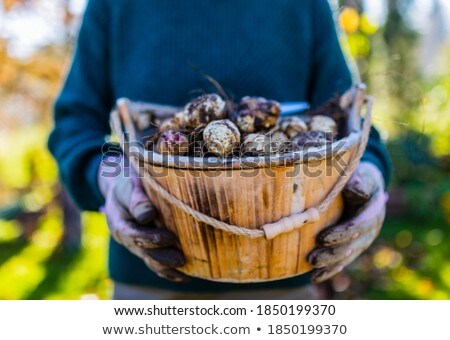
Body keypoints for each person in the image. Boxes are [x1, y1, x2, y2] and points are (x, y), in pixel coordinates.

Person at [49, 0, 391, 299]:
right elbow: (76, 128)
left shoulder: (306, 4)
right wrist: (111, 176)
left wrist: (370, 174)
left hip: (284, 279)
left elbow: (354, 124)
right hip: (150, 286)